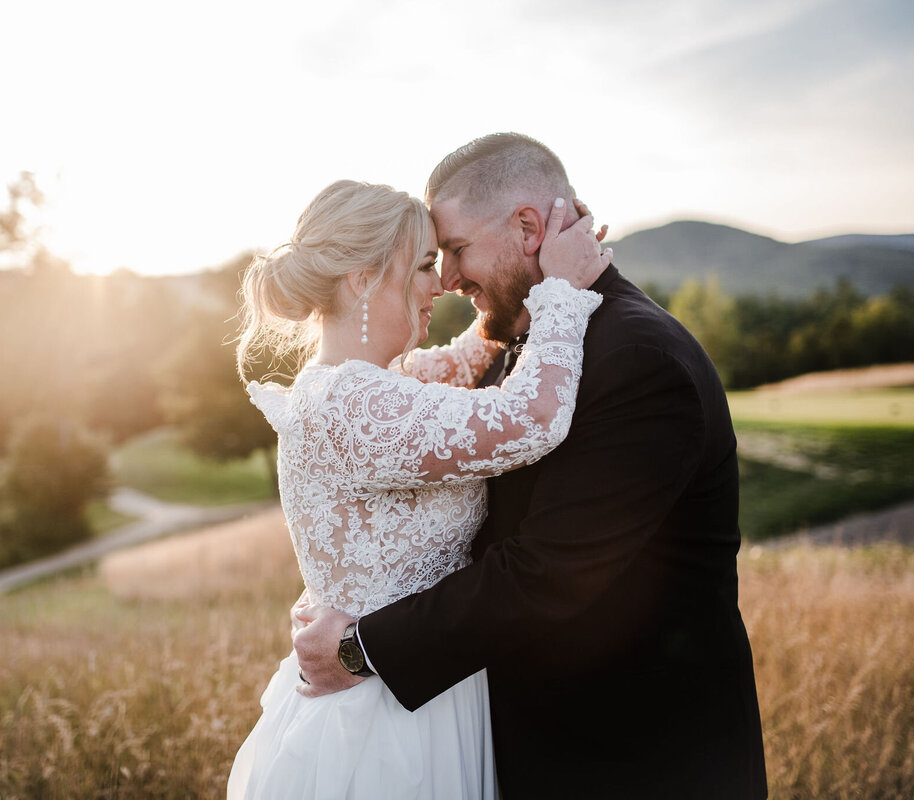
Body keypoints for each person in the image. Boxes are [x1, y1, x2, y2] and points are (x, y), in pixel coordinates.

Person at [292, 134, 768, 799]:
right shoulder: (535, 340)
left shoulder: (637, 358)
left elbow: (548, 576)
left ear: (527, 228)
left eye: (454, 251)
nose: (450, 280)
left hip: (635, 762)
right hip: (519, 747)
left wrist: (361, 649)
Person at [226, 178, 610, 799]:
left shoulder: (374, 383)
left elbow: (464, 361)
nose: (441, 283)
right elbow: (532, 419)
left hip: (420, 688)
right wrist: (561, 292)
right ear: (361, 278)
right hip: (384, 726)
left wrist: (513, 291)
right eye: (426, 265)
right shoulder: (353, 404)